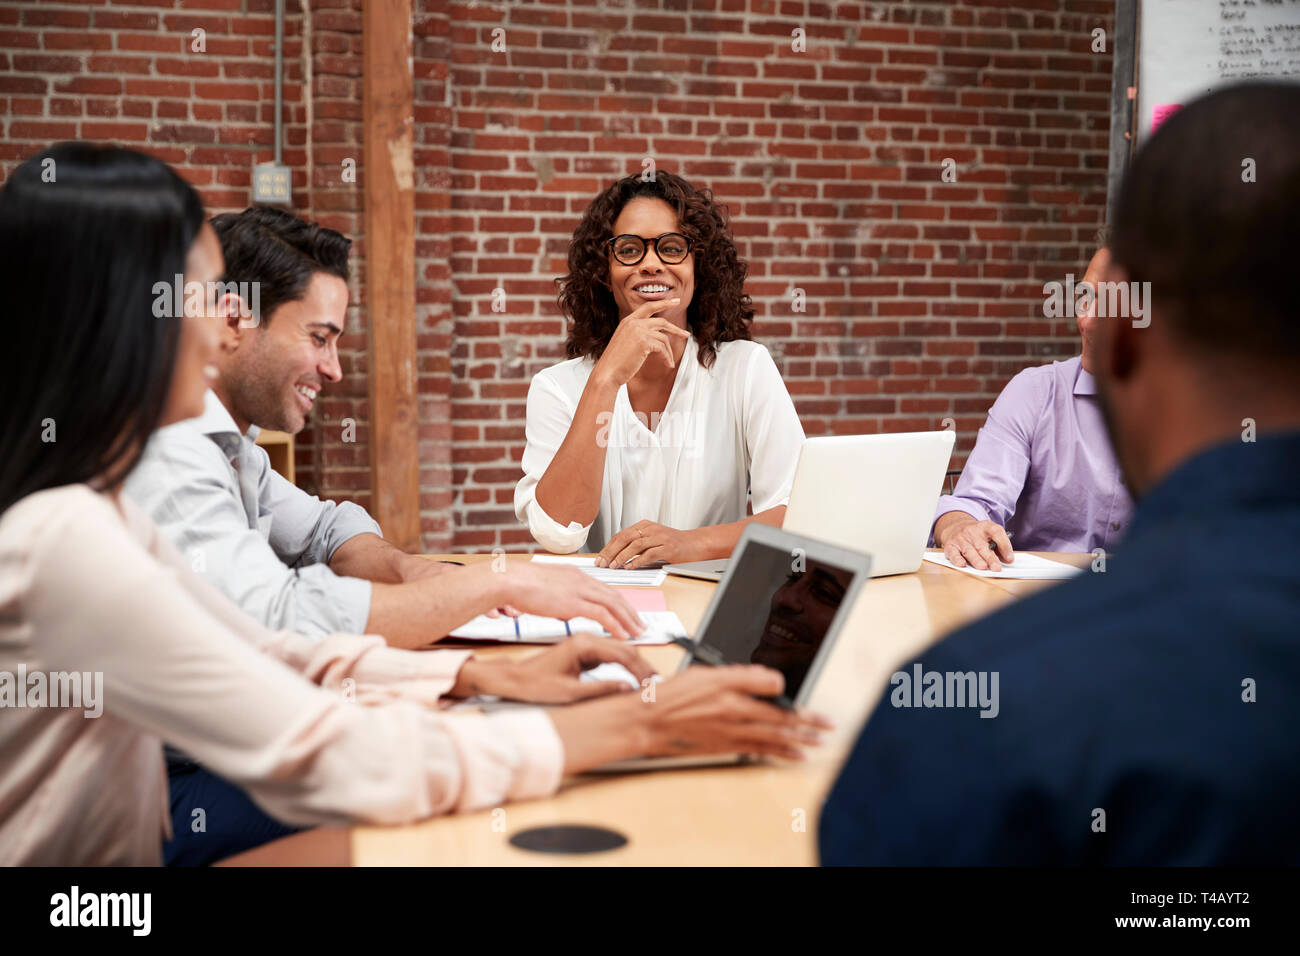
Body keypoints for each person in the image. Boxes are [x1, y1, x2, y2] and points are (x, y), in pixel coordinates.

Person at [0, 143, 831, 866]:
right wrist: (630, 731)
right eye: (205, 300)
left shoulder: (98, 503)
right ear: (115, 316)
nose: (224, 331)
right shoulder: (72, 533)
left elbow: (271, 652)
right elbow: (313, 742)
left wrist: (469, 675)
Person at [819, 82, 1300, 865]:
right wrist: (957, 518)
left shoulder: (978, 708)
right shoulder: (1033, 395)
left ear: (1119, 340)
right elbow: (976, 501)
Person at [126, 205, 641, 648]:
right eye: (319, 338)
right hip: (184, 762)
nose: (334, 369)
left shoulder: (234, 447)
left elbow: (326, 531)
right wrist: (487, 588)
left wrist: (417, 573)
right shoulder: (171, 452)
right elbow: (277, 617)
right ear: (235, 321)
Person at [514, 172, 806, 569]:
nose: (651, 264)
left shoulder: (745, 370)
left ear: (698, 267)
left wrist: (690, 545)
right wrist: (604, 380)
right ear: (604, 271)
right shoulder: (557, 388)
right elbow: (557, 534)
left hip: (712, 603)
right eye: (629, 250)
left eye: (671, 248)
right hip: (606, 609)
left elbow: (799, 516)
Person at [932, 235, 1134, 570]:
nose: (1086, 320)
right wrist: (959, 526)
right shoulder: (1035, 393)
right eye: (1086, 297)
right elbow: (974, 504)